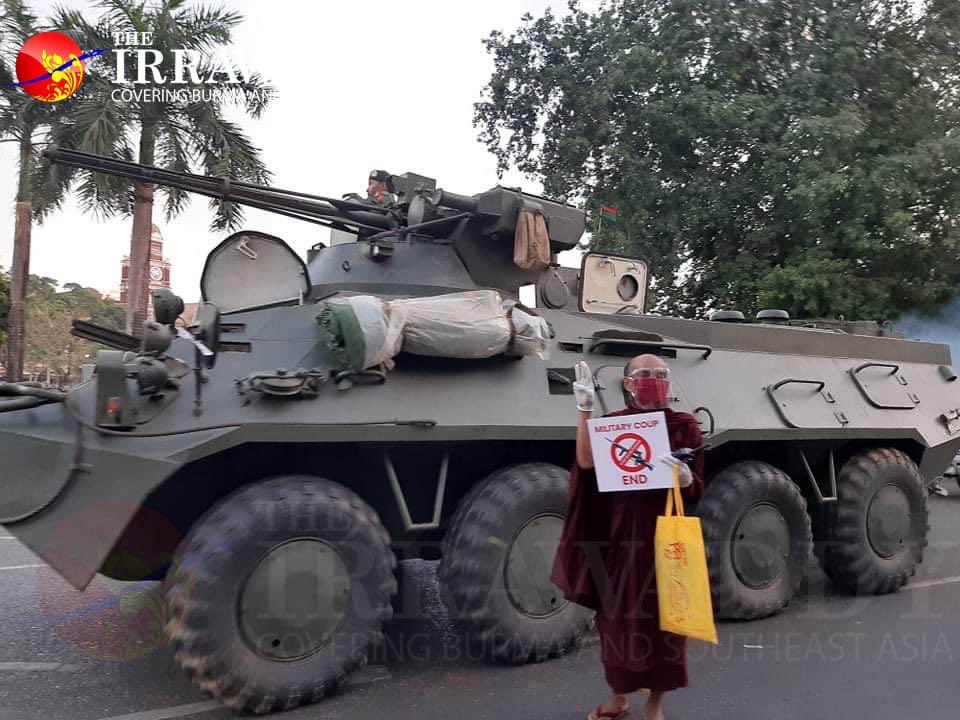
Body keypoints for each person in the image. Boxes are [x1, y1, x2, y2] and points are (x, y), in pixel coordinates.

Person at [551, 353, 705, 720]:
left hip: (666, 543)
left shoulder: (685, 426)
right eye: (646, 374)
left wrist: (686, 479)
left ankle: (655, 705)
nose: (655, 379)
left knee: (667, 624)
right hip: (619, 541)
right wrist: (584, 411)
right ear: (628, 383)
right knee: (616, 625)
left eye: (662, 374)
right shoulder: (613, 426)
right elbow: (586, 465)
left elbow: (698, 487)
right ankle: (619, 698)